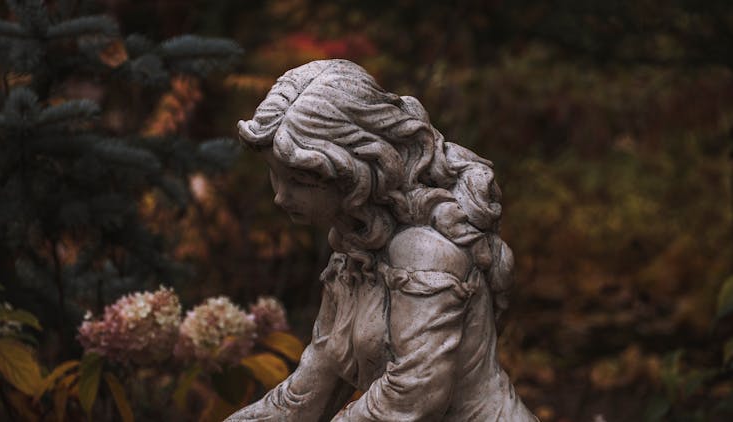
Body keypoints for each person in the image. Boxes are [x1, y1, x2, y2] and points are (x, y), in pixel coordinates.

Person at [227, 59, 537, 421]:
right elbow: (312, 386)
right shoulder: (354, 250)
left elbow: (414, 393)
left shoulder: (426, 253)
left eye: (301, 182)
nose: (281, 196)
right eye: (275, 176)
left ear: (355, 172)